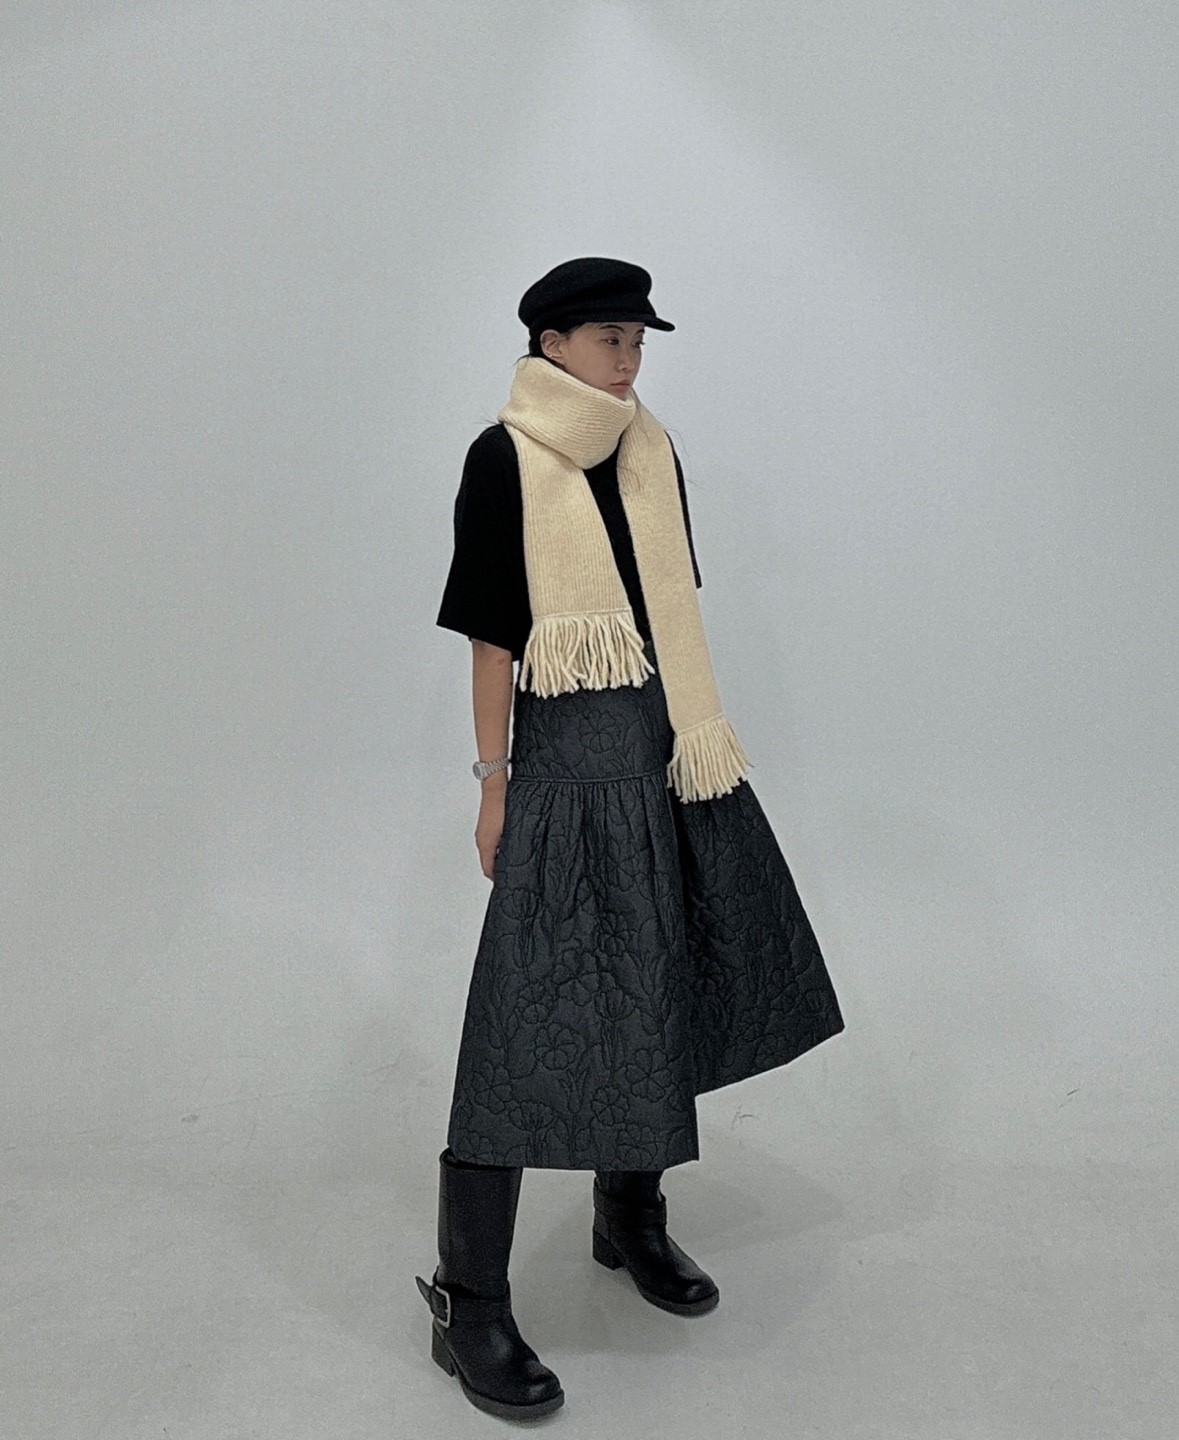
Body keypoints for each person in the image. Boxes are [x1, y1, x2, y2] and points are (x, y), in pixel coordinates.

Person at [418, 257, 845, 1419]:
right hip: (565, 771)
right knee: (524, 1022)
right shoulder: (504, 457)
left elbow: (668, 613)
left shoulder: (649, 450)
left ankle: (628, 1215)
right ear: (551, 344)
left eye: (640, 341)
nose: (630, 359)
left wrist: (682, 743)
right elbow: (493, 640)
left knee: (662, 984)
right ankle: (470, 1301)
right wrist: (495, 786)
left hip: (665, 754)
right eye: (611, 338)